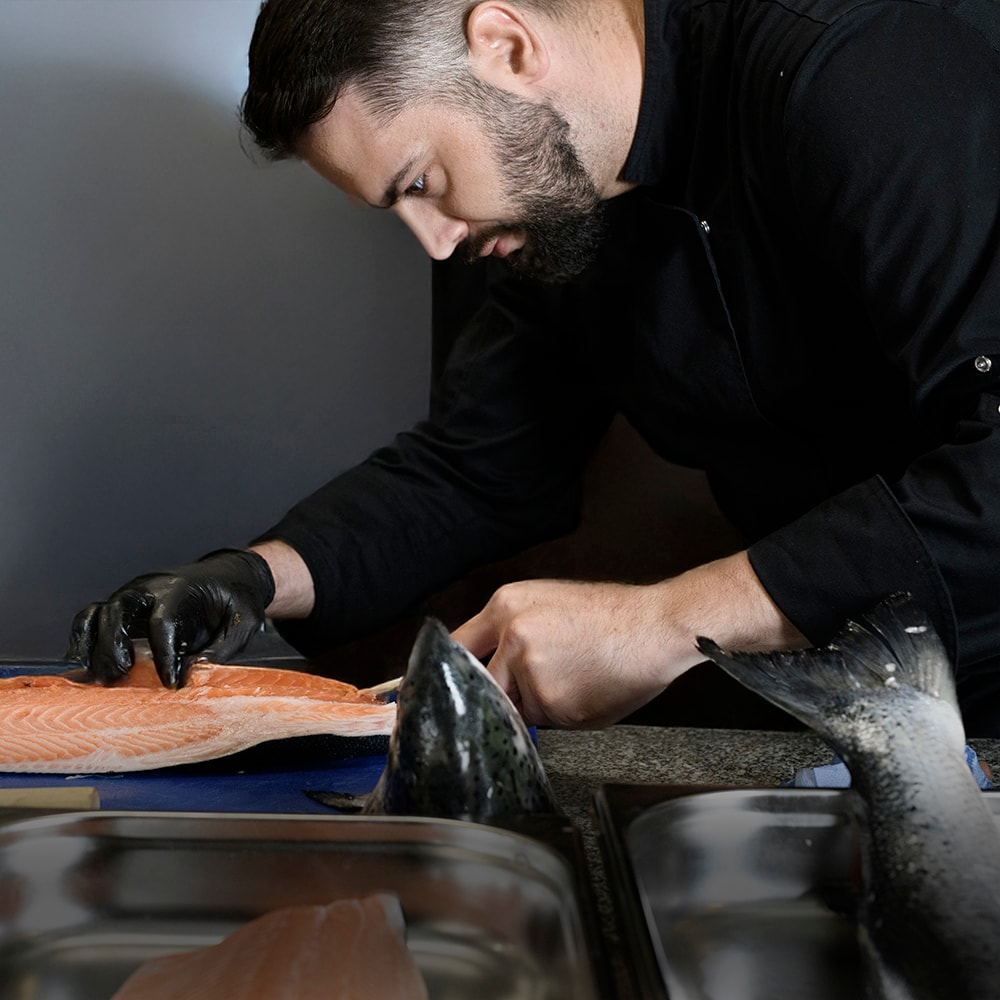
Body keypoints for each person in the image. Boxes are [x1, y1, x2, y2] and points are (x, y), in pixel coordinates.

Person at [67, 0, 1000, 735]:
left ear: (507, 46)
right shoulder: (559, 207)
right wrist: (250, 579)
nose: (435, 245)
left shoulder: (857, 66)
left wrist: (666, 621)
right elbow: (478, 464)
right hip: (835, 680)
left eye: (421, 184)